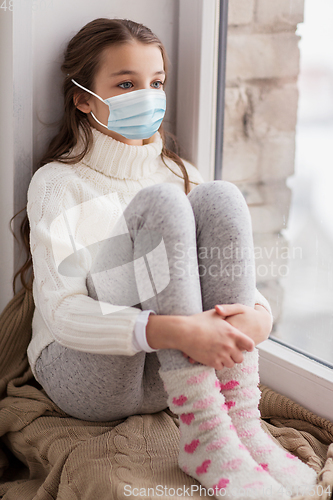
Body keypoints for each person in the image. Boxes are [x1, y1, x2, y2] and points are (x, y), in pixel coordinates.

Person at [16, 18, 316, 499]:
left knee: (219, 197)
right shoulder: (57, 184)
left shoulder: (181, 172)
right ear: (82, 97)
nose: (147, 96)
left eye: (156, 83)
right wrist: (174, 330)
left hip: (171, 377)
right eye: (126, 84)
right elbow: (62, 313)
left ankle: (238, 422)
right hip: (88, 376)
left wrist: (258, 319)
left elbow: (229, 278)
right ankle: (205, 432)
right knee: (163, 205)